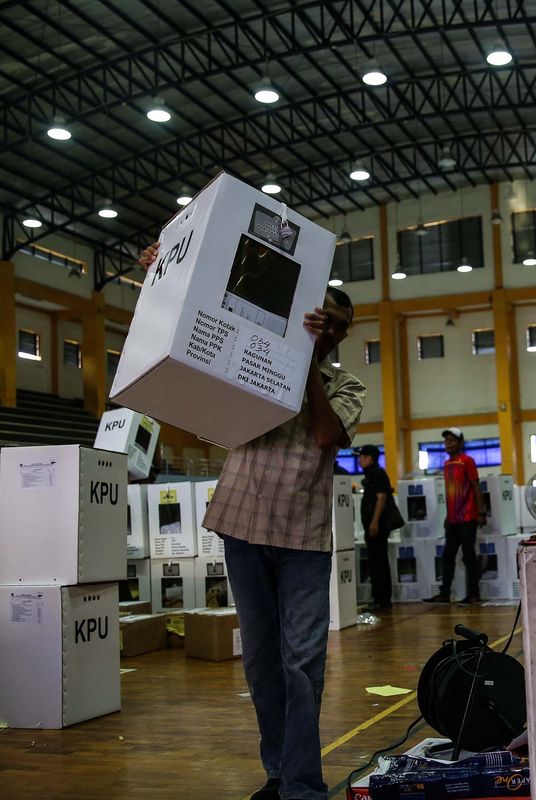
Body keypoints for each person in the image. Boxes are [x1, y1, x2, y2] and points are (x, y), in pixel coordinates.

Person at [138, 241, 366, 800]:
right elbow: (200, 325)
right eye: (327, 321)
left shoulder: (344, 385)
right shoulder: (256, 358)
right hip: (241, 525)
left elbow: (324, 435)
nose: (332, 332)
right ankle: (278, 775)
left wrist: (310, 360)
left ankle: (303, 787)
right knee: (263, 667)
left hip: (303, 538)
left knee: (302, 665)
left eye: (340, 329)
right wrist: (165, 271)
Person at [424, 427, 486, 604]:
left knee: (468, 557)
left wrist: (481, 511)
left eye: (451, 440)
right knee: (447, 556)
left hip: (467, 518)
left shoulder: (467, 461)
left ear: (460, 443)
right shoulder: (447, 464)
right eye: (446, 440)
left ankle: (473, 595)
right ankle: (444, 594)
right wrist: (447, 515)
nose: (448, 443)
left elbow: (475, 486)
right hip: (452, 519)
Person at [356, 444, 402, 612]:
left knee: (378, 562)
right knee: (376, 561)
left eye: (362, 456)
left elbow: (381, 498)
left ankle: (381, 599)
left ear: (370, 458)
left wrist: (374, 522)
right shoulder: (371, 474)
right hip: (373, 525)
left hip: (378, 526)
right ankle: (380, 599)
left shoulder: (377, 473)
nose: (359, 460)